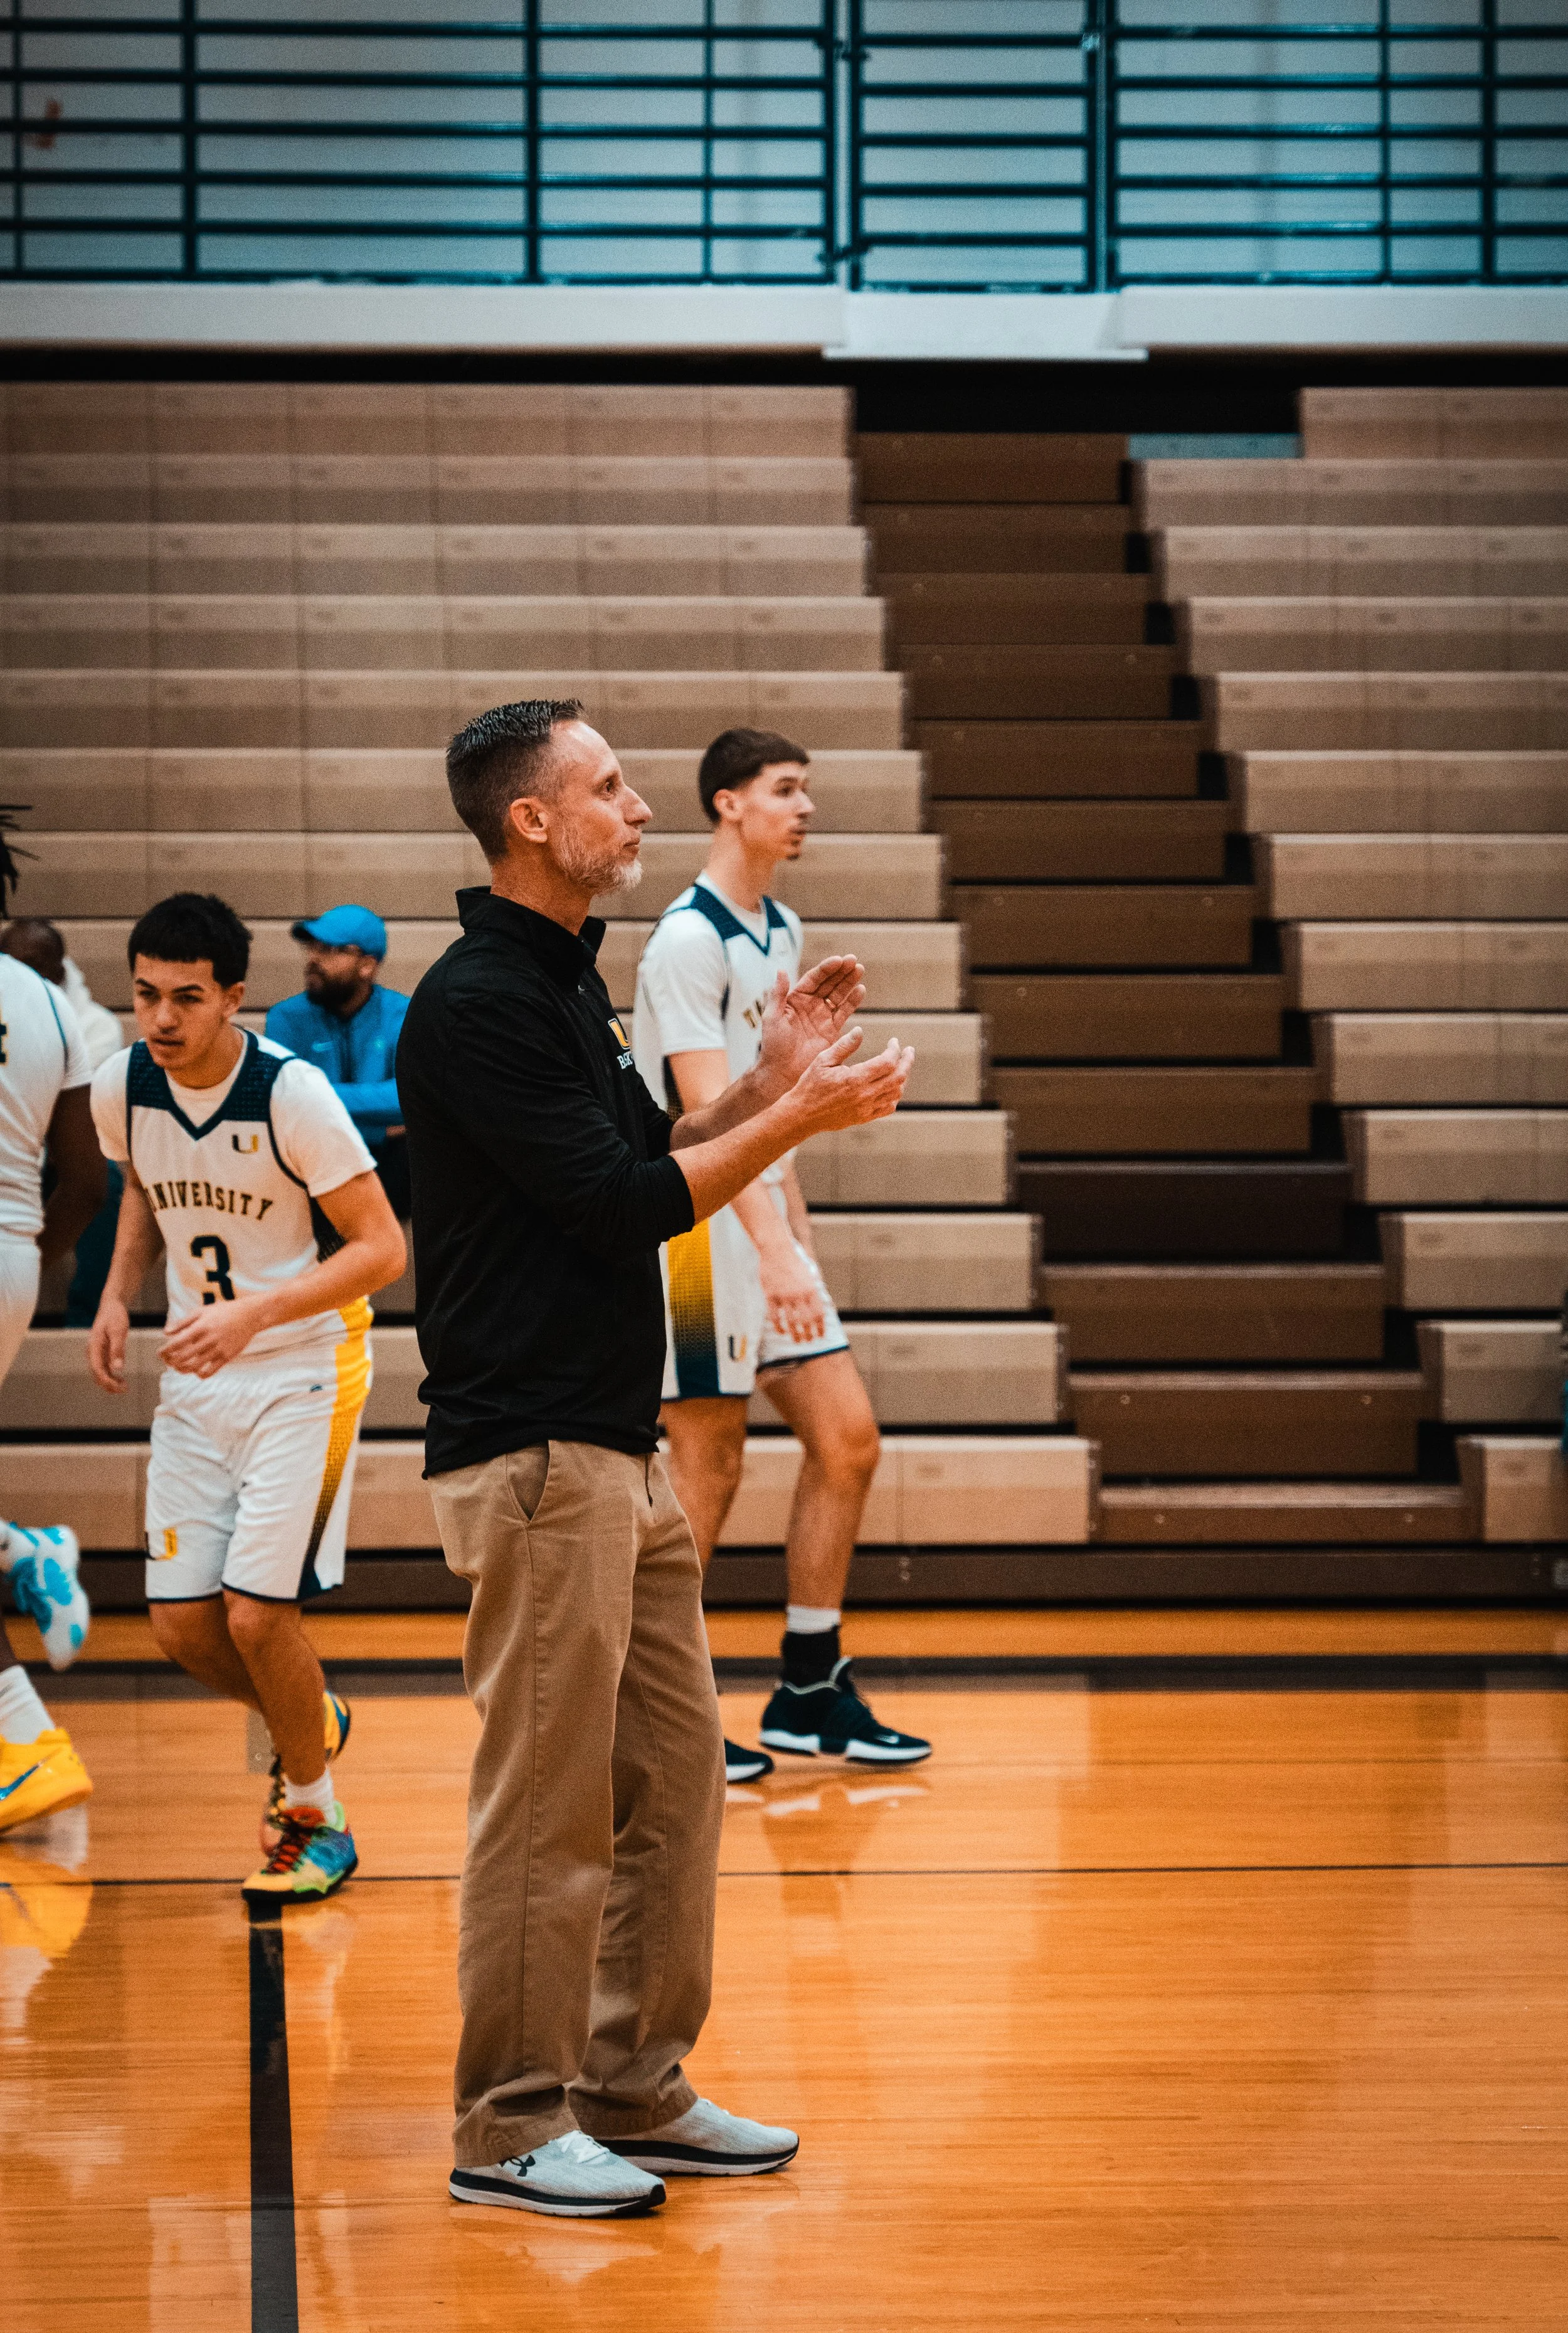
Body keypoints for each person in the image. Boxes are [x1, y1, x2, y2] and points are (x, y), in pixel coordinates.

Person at [397, 698, 913, 2221]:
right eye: (608, 787)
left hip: (612, 1452)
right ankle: (506, 2123)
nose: (637, 807)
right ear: (531, 824)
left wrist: (768, 1075)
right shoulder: (479, 1001)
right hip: (535, 1454)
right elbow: (631, 1212)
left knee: (677, 1777)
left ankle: (630, 2081)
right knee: (547, 1807)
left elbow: (639, 1157)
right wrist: (796, 1117)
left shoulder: (560, 986)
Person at [86, 892, 406, 1908]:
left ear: (235, 996)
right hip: (197, 1371)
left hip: (303, 1366)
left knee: (260, 1616)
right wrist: (114, 1294)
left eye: (188, 997)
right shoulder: (122, 1083)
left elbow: (381, 1249)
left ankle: (314, 1814)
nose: (164, 1019)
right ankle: (313, 1710)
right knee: (181, 1627)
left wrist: (254, 1315)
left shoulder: (292, 1093)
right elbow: (143, 1183)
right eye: (146, 995)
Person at [634, 730, 932, 1780]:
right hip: (696, 1232)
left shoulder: (782, 923)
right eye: (785, 790)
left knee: (846, 1437)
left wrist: (795, 1238)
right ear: (727, 802)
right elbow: (712, 1117)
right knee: (706, 1464)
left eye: (807, 790)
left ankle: (809, 1683)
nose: (803, 807)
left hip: (760, 1224)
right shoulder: (685, 939)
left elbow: (786, 1111)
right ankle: (667, 1709)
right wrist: (773, 1248)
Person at [0, 907, 107, 1834]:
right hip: (10, 1262)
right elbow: (86, 1178)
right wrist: (23, 1256)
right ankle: (19, 1548)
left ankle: (24, 1738)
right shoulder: (42, 998)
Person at [0, 918, 127, 1329]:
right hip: (22, 1165)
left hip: (53, 1158)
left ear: (59, 968)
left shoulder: (92, 1023)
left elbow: (78, 1127)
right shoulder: (36, 1009)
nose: (20, 969)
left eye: (32, 962)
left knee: (107, 1180)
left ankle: (89, 1314)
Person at [266, 905, 411, 1220]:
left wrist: (315, 1097)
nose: (314, 959)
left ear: (368, 966)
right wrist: (380, 1127)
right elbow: (281, 1100)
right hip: (312, 1161)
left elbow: (408, 1098)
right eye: (313, 947)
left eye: (331, 950)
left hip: (390, 1166)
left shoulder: (402, 1013)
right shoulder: (286, 1018)